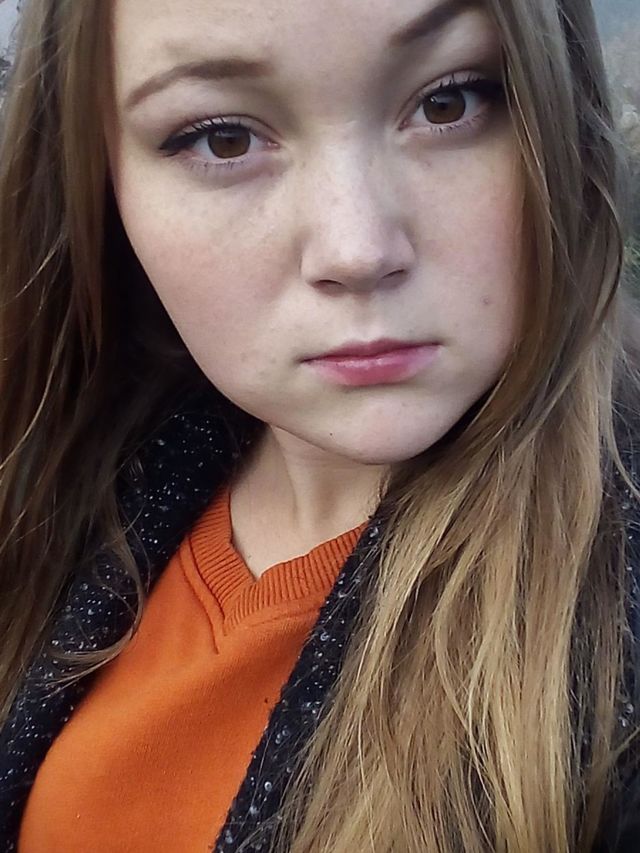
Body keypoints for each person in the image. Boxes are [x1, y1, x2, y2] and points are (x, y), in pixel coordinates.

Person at [0, 0, 639, 850]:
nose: (357, 249)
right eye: (223, 138)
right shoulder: (60, 486)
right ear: (99, 181)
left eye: (448, 101)